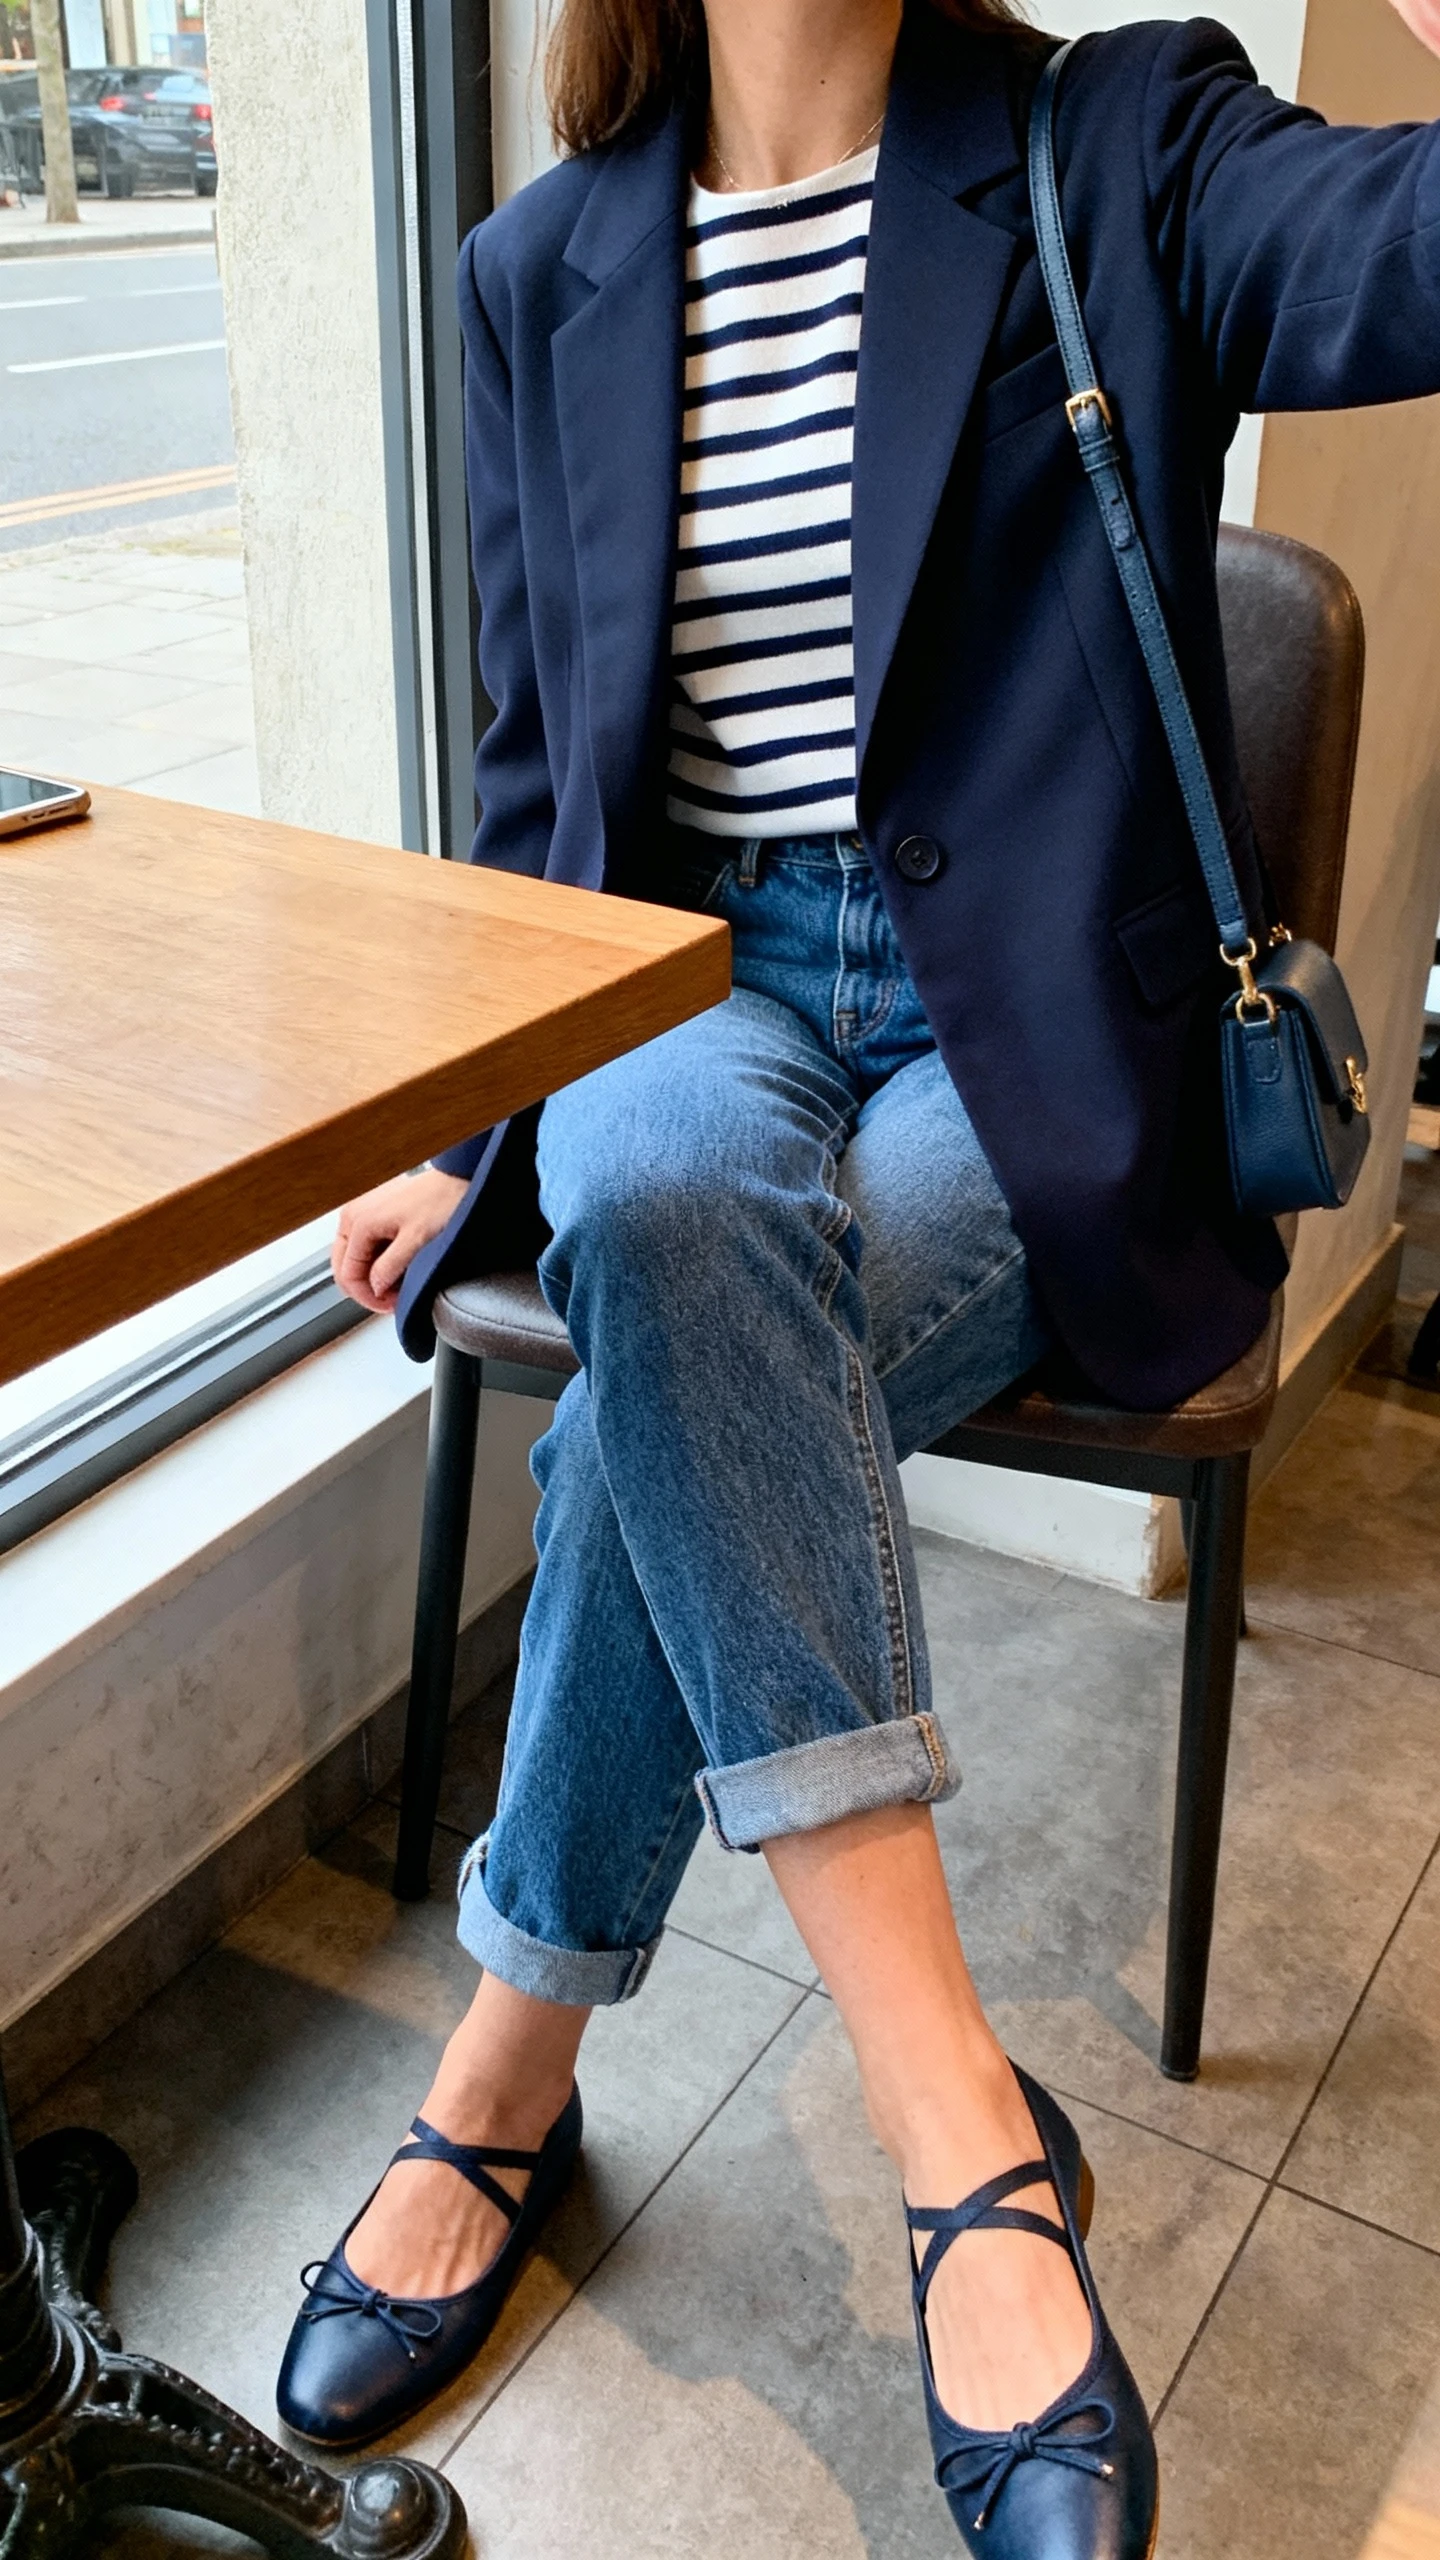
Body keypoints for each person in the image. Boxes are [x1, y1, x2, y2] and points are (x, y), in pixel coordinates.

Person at [276, 0, 1440, 2548]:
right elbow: (525, 795)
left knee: (656, 1378)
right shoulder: (532, 266)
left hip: (1020, 1050)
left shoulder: (1117, 136)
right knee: (662, 1203)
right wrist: (477, 1135)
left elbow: (1397, 256)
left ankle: (508, 2067)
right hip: (692, 1004)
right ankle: (968, 2141)